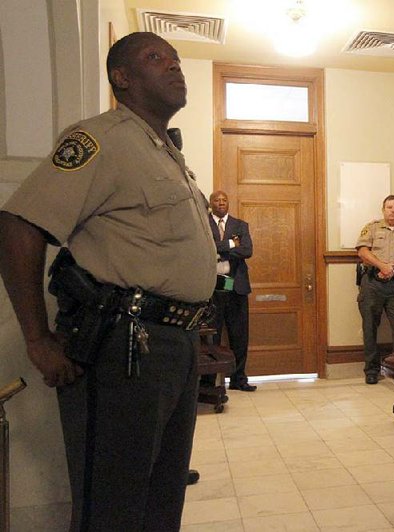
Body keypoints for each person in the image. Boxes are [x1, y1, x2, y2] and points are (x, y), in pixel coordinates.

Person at [0, 32, 217, 531]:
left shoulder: (166, 154)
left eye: (177, 59)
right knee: (113, 503)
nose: (174, 66)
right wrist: (37, 338)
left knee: (162, 496)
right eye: (155, 57)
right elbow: (18, 224)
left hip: (175, 342)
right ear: (122, 78)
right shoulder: (100, 139)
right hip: (125, 344)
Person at [355, 195, 394, 384]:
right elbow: (362, 251)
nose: (393, 210)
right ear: (383, 210)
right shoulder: (372, 227)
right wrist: (382, 266)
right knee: (370, 327)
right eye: (389, 207)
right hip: (373, 283)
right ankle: (371, 370)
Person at [209, 190, 256, 392]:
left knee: (239, 335)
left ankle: (238, 379)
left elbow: (247, 250)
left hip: (235, 286)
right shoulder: (203, 223)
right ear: (211, 204)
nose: (221, 203)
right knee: (212, 336)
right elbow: (204, 248)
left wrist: (218, 248)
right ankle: (209, 382)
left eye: (224, 200)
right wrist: (230, 244)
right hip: (212, 288)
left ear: (228, 203)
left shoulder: (240, 225)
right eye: (217, 200)